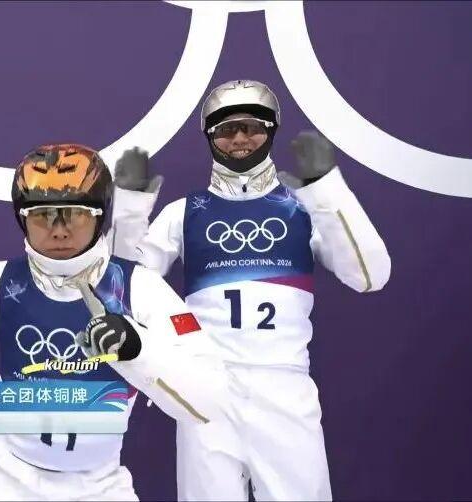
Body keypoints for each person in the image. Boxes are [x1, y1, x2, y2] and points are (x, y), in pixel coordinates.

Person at [0, 143, 229, 501]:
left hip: (100, 486)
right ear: (21, 218)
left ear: (100, 215)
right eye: (42, 215)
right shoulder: (0, 282)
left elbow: (210, 401)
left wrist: (139, 349)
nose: (59, 231)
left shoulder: (139, 287)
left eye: (75, 214)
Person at [111, 79, 392, 501]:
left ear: (271, 130)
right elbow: (122, 290)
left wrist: (326, 188)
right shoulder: (183, 212)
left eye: (252, 127)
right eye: (226, 129)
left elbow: (370, 276)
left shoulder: (303, 207)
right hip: (205, 390)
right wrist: (129, 206)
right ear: (210, 136)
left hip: (284, 389)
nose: (240, 138)